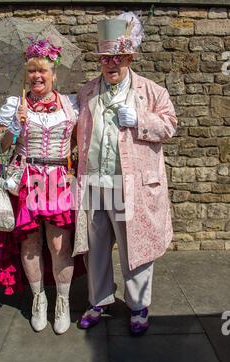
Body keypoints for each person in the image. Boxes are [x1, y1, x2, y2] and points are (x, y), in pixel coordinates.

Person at [72, 13, 178, 335]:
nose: (111, 64)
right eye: (106, 58)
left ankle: (138, 306)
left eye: (117, 57)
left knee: (136, 247)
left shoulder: (151, 92)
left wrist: (140, 120)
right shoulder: (87, 92)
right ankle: (98, 300)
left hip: (128, 184)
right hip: (92, 182)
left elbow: (170, 125)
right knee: (95, 245)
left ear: (129, 57)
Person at [0, 36, 79, 335]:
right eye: (32, 71)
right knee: (29, 243)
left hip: (58, 181)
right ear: (26, 74)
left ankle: (61, 302)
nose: (37, 76)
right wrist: (13, 126)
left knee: (58, 244)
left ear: (54, 74)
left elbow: (79, 142)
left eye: (43, 71)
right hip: (27, 179)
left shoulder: (71, 104)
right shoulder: (15, 104)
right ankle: (39, 298)